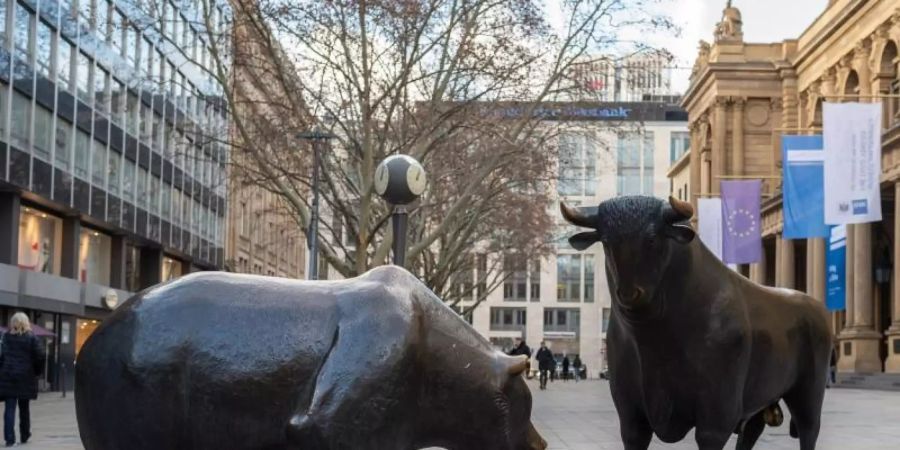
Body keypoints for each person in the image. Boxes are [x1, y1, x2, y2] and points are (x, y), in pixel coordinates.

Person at [0, 313, 46, 447]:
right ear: (26, 323)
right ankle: (24, 435)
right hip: (25, 377)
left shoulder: (5, 337)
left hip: (8, 376)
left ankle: (9, 439)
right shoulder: (32, 338)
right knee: (24, 407)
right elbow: (40, 356)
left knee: (9, 409)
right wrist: (37, 371)